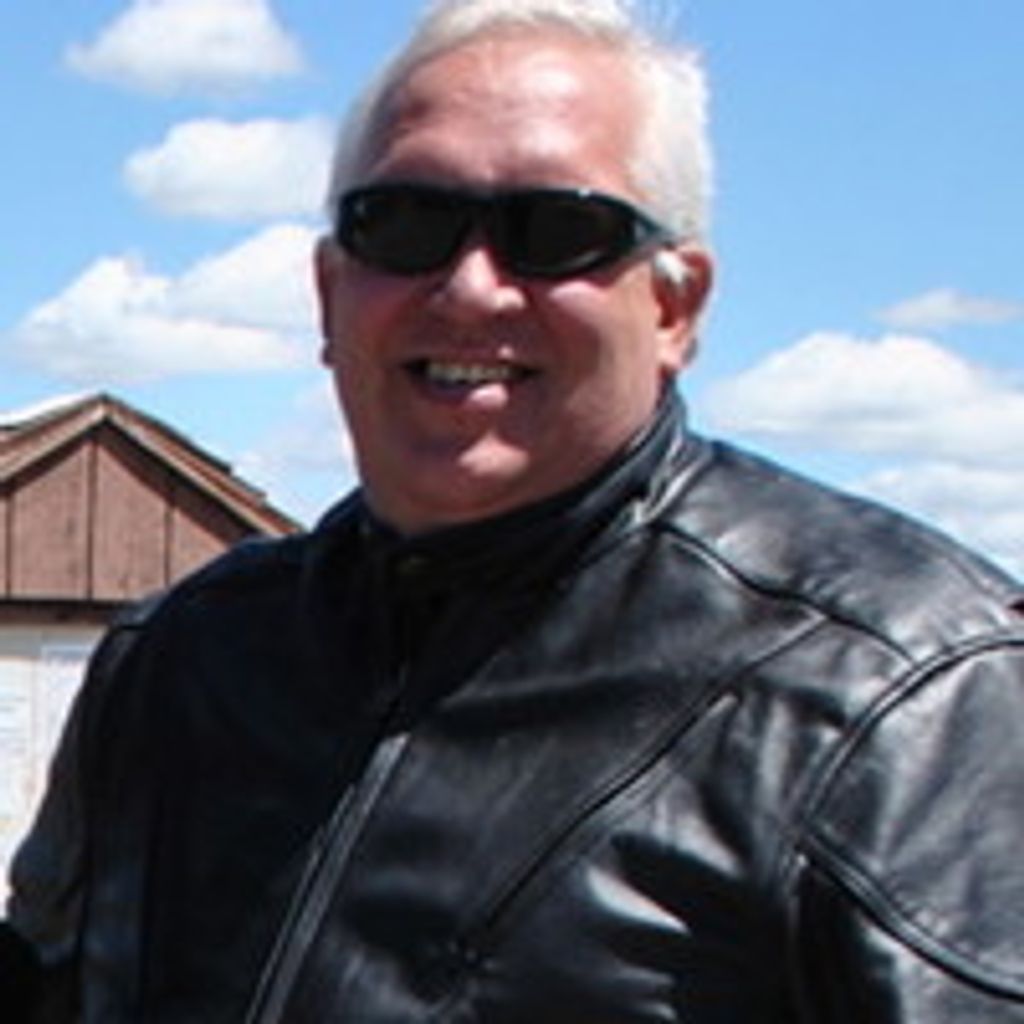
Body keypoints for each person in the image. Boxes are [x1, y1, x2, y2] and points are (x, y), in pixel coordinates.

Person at [4, 0, 1024, 1020]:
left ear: (675, 308)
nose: (471, 287)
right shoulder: (183, 662)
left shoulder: (901, 696)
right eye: (403, 224)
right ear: (328, 293)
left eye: (559, 231)